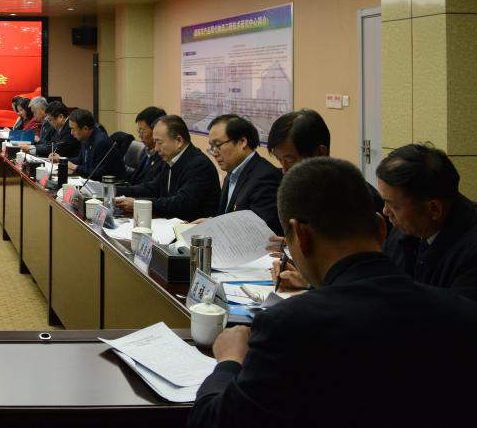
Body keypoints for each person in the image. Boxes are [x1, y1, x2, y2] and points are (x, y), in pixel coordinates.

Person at [190, 157, 477, 427]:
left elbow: (213, 421)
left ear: (300, 236)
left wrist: (229, 360)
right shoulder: (462, 314)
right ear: (381, 229)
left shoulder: (288, 326)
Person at [266, 109, 391, 288]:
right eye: (280, 160)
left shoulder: (354, 196)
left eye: (290, 160)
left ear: (320, 152)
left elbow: (365, 271)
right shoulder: (302, 191)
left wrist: (310, 281)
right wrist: (295, 252)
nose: (284, 170)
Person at [378, 144, 477, 301]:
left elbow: (458, 312)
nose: (385, 211)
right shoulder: (406, 228)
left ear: (434, 209)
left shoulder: (471, 251)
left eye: (393, 205)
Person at [115, 115, 219, 221]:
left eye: (159, 142)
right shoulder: (171, 158)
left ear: (179, 141)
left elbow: (180, 204)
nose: (156, 148)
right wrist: (115, 191)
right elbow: (153, 188)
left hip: (191, 228)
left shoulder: (199, 166)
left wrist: (139, 204)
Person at [206, 114, 282, 234]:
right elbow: (226, 217)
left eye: (218, 145)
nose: (214, 153)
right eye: (211, 147)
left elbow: (259, 233)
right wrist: (210, 224)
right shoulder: (231, 174)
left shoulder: (266, 178)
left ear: (242, 142)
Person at [67, 108, 125, 180]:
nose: (71, 133)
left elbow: (99, 174)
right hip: (93, 181)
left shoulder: (101, 142)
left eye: (73, 129)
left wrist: (75, 167)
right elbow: (81, 159)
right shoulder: (85, 137)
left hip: (112, 184)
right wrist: (63, 160)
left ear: (85, 129)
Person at [127, 106, 166, 184]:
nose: (140, 135)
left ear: (156, 130)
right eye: (139, 131)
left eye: (142, 131)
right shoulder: (146, 151)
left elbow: (151, 187)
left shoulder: (164, 158)